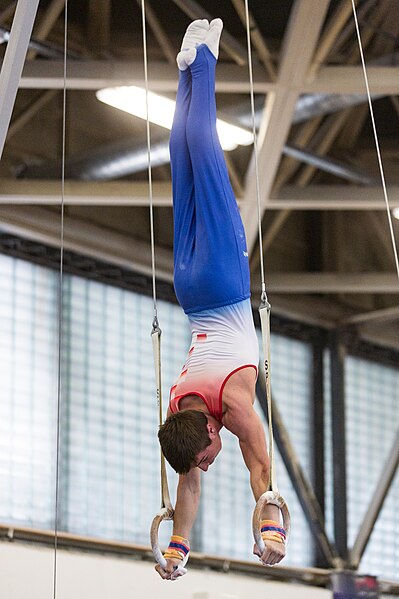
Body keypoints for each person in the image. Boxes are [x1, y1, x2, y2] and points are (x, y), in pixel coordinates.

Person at [156, 19, 286, 580]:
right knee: (180, 160)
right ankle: (186, 72)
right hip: (186, 286)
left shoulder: (231, 405)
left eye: (209, 455)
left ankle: (204, 57)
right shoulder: (180, 416)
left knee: (206, 157)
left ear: (209, 430)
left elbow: (261, 466)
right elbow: (188, 478)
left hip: (223, 279)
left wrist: (271, 529)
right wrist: (177, 547)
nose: (209, 463)